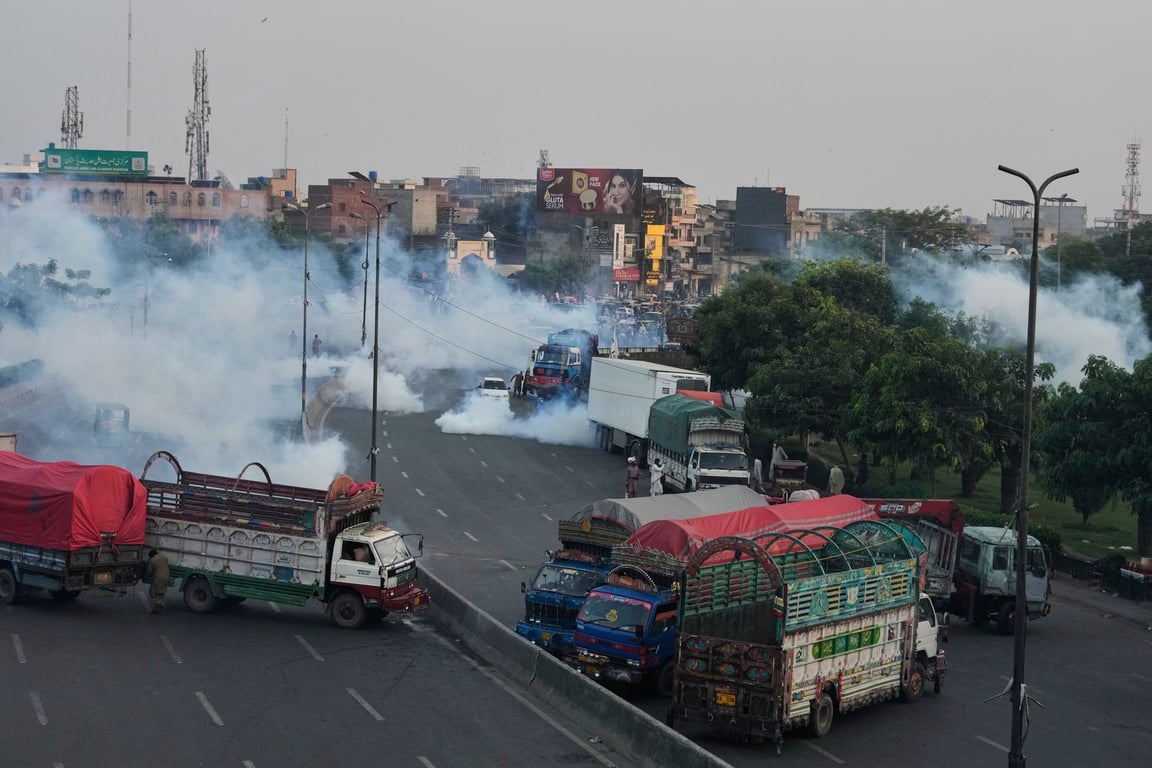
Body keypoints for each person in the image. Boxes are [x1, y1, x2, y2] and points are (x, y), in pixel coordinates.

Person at [146, 549, 170, 615]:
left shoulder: (152, 560)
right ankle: (158, 609)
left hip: (158, 578)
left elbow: (149, 572)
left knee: (153, 593)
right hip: (167, 577)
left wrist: (148, 563)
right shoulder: (164, 557)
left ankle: (160, 604)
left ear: (151, 556)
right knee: (161, 593)